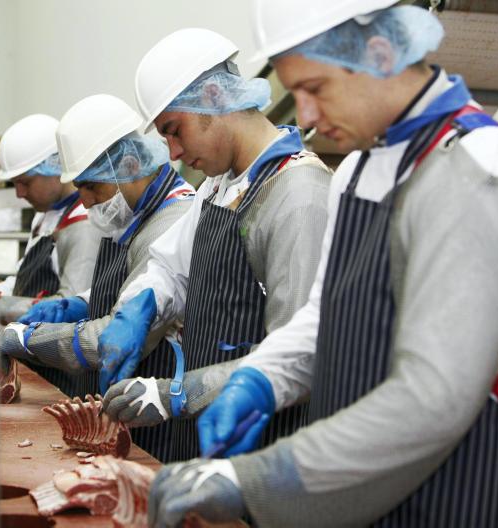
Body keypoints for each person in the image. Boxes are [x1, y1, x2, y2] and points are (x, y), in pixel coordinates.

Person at [147, 2, 498, 527]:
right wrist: (259, 378)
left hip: (461, 498)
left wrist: (254, 479)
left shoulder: (482, 171)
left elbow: (433, 399)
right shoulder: (357, 173)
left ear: (380, 54)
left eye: (315, 88)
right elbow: (324, 318)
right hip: (353, 495)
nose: (305, 117)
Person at [97, 28, 332, 462]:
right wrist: (141, 306)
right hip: (205, 433)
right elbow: (171, 268)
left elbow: (301, 355)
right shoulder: (218, 186)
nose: (172, 152)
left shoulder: (299, 193)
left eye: (175, 130)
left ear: (213, 97)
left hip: (261, 444)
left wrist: (179, 393)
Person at [0, 94, 195, 461]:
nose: (85, 201)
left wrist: (29, 340)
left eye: (92, 186)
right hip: (122, 408)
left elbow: (115, 334)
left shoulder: (172, 219)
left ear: (131, 165)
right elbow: (127, 289)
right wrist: (77, 303)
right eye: (80, 188)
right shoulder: (134, 213)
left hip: (155, 416)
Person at [0, 114, 99, 322]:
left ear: (56, 166)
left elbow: (70, 305)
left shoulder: (85, 224)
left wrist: (1, 307)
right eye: (14, 184)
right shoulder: (45, 216)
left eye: (25, 183)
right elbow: (24, 279)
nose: (19, 194)